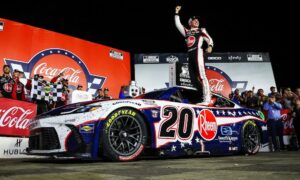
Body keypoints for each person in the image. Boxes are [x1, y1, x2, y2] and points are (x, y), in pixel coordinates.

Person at [175, 5, 214, 105]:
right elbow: (178, 24)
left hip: (198, 53)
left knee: (202, 76)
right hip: (190, 55)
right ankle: (201, 95)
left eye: (197, 20)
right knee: (192, 79)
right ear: (190, 23)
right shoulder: (187, 32)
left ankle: (207, 98)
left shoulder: (201, 30)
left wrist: (210, 45)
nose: (197, 21)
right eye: (194, 20)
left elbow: (209, 39)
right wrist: (176, 13)